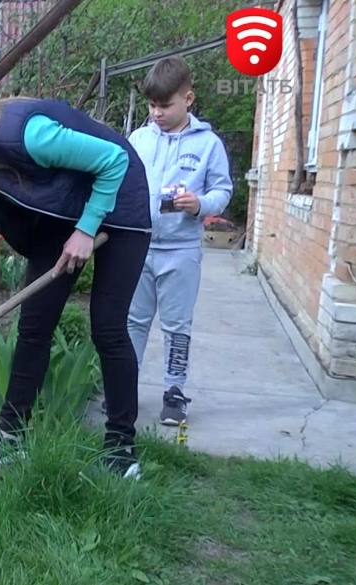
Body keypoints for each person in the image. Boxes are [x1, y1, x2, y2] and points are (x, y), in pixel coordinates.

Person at [0, 91, 152, 479]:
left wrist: (87, 228)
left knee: (108, 326)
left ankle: (121, 449)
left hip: (120, 200)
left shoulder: (26, 135)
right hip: (63, 213)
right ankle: (10, 437)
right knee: (33, 326)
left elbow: (113, 159)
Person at [126, 57, 233, 427]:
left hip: (181, 251)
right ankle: (124, 388)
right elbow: (122, 183)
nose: (157, 113)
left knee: (177, 326)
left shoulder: (208, 144)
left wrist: (200, 204)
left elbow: (223, 190)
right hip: (138, 248)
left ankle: (174, 392)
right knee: (133, 322)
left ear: (188, 98)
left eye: (165, 105)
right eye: (152, 105)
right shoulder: (138, 140)